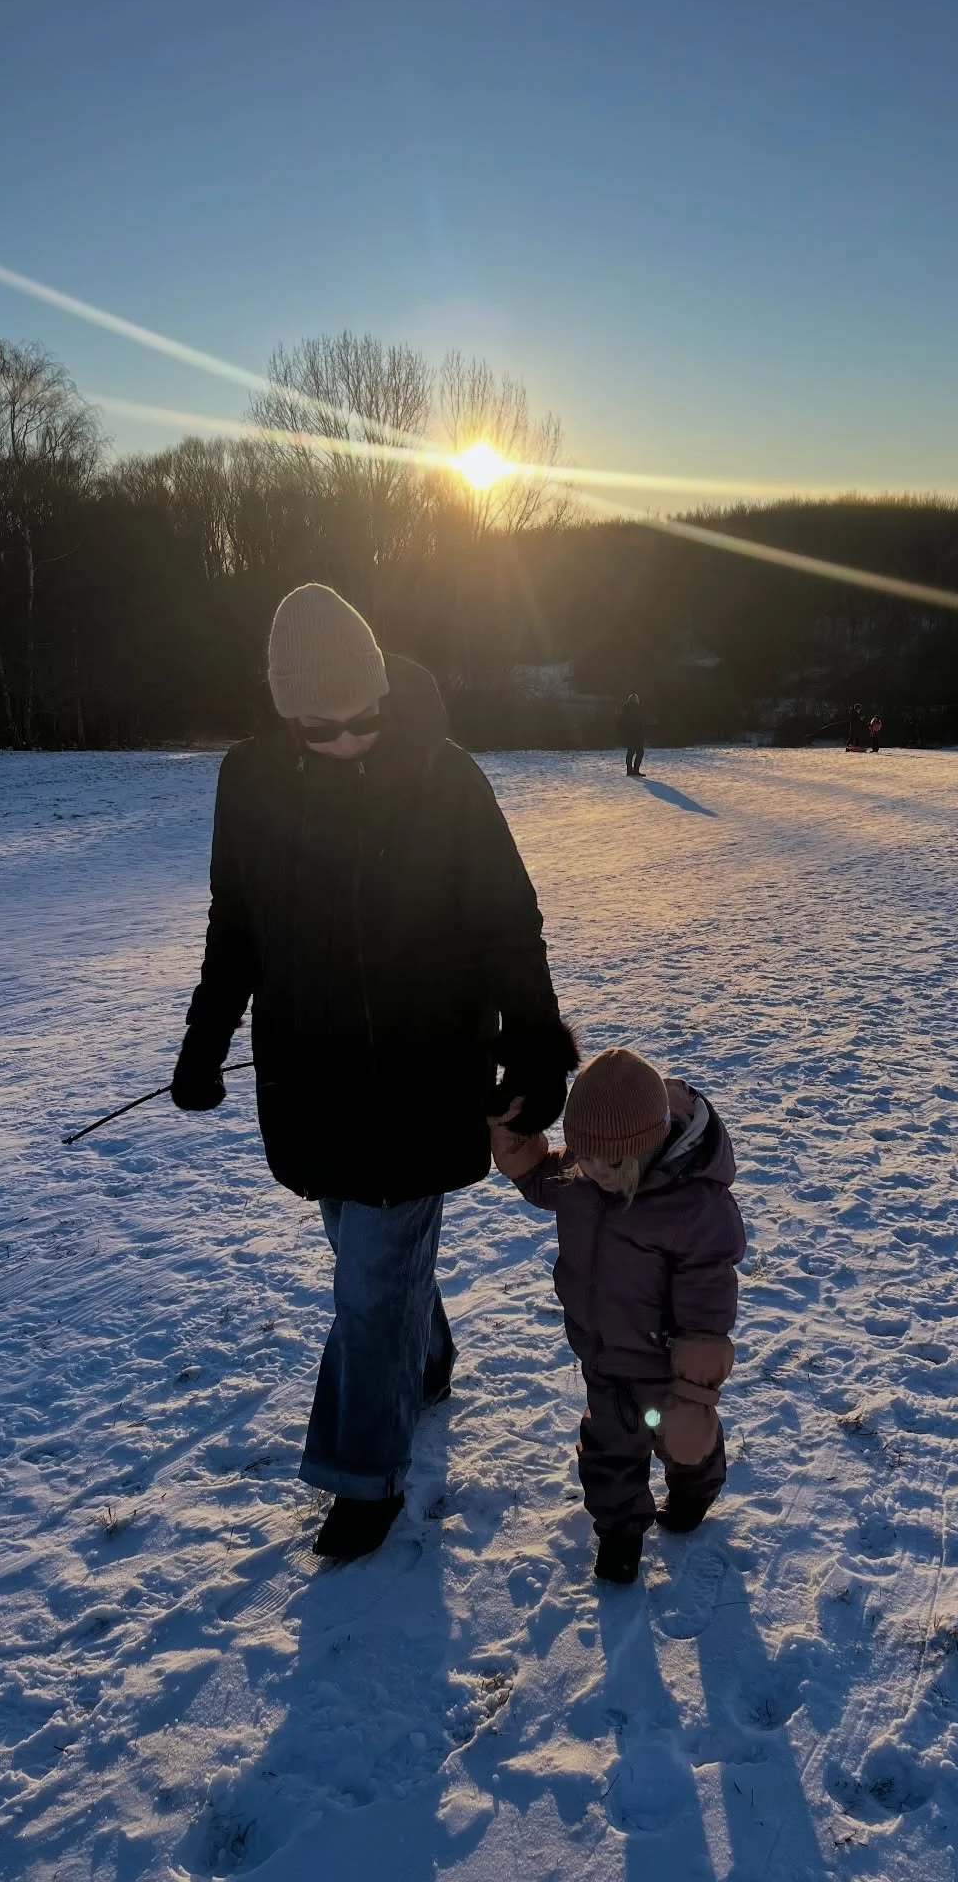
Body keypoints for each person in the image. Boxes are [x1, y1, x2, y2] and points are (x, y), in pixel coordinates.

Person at [171, 583, 578, 1561]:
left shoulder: (446, 780)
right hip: (310, 1082)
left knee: (368, 1284)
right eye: (324, 727)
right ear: (286, 714)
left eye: (365, 720)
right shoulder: (251, 783)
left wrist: (533, 1047)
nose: (351, 741)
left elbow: (506, 925)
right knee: (361, 1248)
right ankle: (424, 1357)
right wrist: (203, 1040)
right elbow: (238, 927)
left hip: (423, 1075)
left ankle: (363, 1474)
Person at [489, 1048, 745, 1586]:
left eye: (611, 1163)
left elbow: (707, 1304)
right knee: (609, 1453)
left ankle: (695, 1488)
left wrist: (695, 1396)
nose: (596, 1173)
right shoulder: (584, 1174)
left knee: (682, 1441)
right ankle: (621, 1534)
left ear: (645, 1145)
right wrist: (515, 1135)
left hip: (664, 1364)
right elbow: (540, 1179)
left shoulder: (693, 1207)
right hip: (603, 1357)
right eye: (584, 1156)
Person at [617, 693, 646, 776]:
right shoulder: (637, 709)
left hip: (629, 735)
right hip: (637, 735)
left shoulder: (625, 710)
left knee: (631, 752)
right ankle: (635, 770)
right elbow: (640, 723)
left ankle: (629, 770)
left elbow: (620, 724)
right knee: (639, 752)